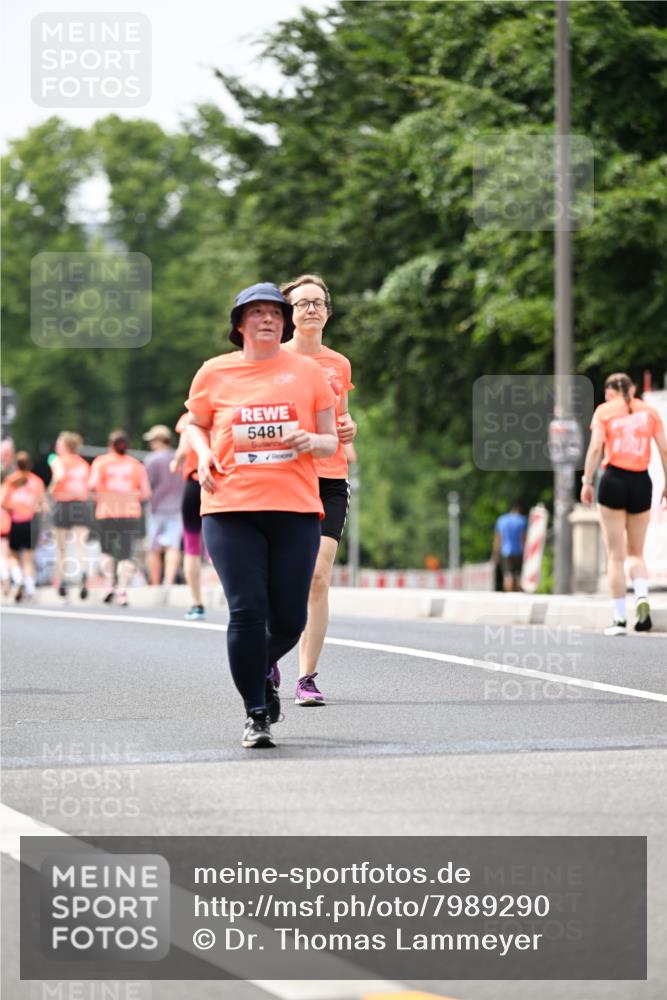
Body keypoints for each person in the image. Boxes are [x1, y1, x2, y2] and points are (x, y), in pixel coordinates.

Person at [185, 282, 337, 748]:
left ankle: (259, 670)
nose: (268, 318)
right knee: (247, 612)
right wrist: (202, 453)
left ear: (285, 322)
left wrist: (314, 442)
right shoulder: (214, 372)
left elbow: (332, 439)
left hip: (294, 507)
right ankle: (256, 711)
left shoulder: (308, 372)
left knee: (289, 620)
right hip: (230, 507)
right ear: (240, 324)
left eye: (275, 312)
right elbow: (194, 423)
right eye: (257, 313)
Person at [278, 273, 356, 706]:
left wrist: (350, 428)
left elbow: (342, 421)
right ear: (289, 313)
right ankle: (271, 652)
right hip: (286, 478)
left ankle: (306, 677)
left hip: (329, 478)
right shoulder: (271, 360)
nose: (311, 309)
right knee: (283, 576)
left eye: (318, 302)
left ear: (327, 311)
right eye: (302, 303)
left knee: (318, 577)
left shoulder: (338, 364)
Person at [580, 372, 667, 635]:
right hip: (642, 482)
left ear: (609, 392)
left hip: (614, 480)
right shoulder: (650, 412)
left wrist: (586, 481)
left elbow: (596, 448)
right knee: (635, 554)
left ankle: (619, 619)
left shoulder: (604, 412)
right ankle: (641, 596)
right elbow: (664, 449)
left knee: (616, 556)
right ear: (634, 388)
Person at [89, 429, 151, 607]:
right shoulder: (135, 465)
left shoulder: (101, 462)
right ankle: (122, 590)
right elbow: (146, 493)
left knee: (106, 551)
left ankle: (109, 585)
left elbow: (92, 485)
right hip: (130, 512)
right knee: (126, 553)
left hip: (106, 512)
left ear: (110, 445)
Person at [142, 424, 184, 594]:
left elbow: (147, 486)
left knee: (154, 547)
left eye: (152, 440)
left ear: (160, 440)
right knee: (173, 546)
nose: (151, 443)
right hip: (178, 506)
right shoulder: (180, 457)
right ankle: (169, 581)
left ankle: (155, 583)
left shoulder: (152, 459)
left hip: (157, 507)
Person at [171, 414, 206, 620]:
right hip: (221, 482)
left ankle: (197, 603)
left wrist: (175, 463)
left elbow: (183, 451)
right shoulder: (227, 406)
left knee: (191, 546)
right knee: (224, 541)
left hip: (195, 482)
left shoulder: (189, 417)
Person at [1, 451, 48, 601]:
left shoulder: (11, 480)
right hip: (30, 523)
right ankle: (30, 588)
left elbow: (2, 502)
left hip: (15, 523)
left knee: (12, 556)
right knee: (28, 558)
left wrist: (14, 507)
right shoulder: (37, 481)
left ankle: (18, 577)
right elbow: (43, 506)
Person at [49, 431, 91, 599]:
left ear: (65, 445)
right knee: (81, 545)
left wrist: (50, 490)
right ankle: (83, 574)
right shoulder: (83, 464)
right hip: (80, 504)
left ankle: (63, 580)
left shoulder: (58, 460)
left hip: (63, 503)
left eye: (59, 443)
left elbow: (59, 476)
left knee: (61, 547)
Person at [492, 503, 527, 592]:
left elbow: (498, 538)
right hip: (519, 551)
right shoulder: (521, 520)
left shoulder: (502, 520)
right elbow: (523, 538)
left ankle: (508, 594)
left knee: (507, 575)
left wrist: (495, 554)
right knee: (518, 574)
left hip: (505, 551)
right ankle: (517, 594)